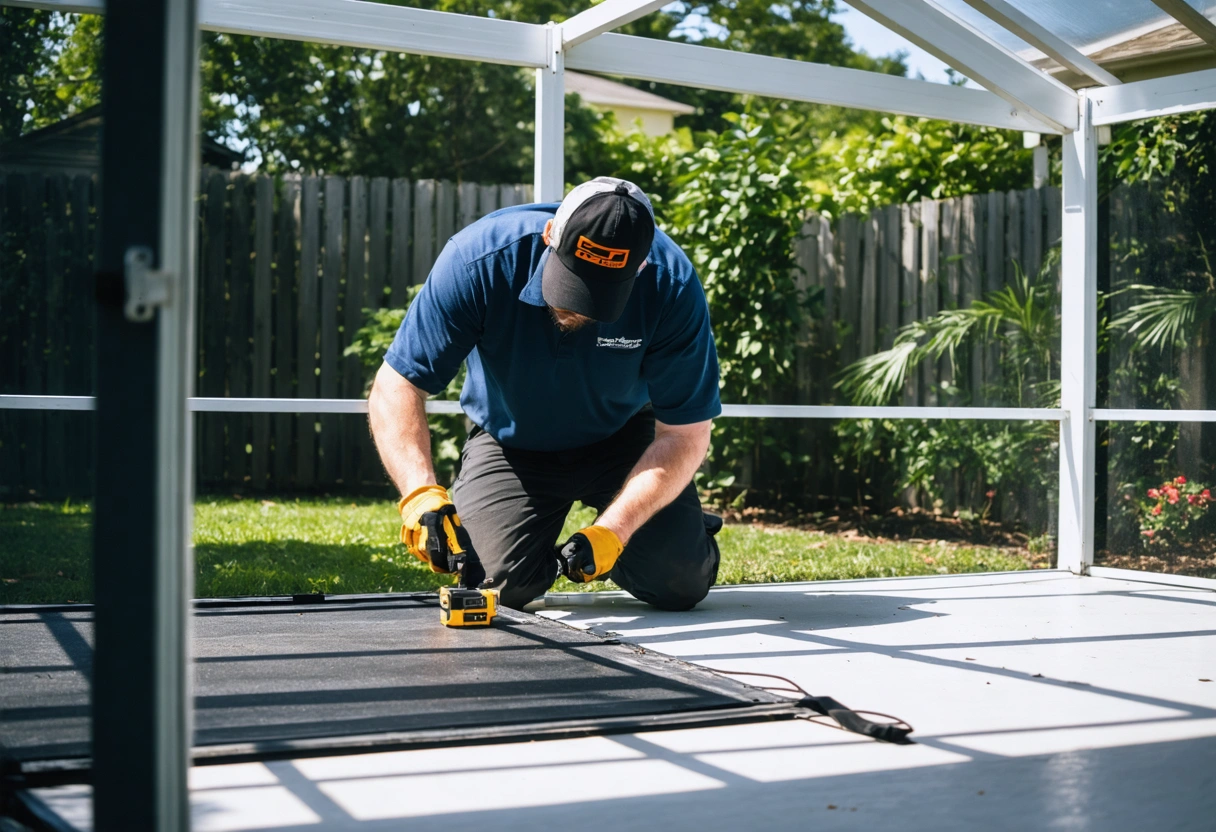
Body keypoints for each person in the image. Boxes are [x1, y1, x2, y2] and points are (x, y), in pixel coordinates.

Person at [368, 176, 723, 611]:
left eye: (602, 294)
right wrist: (419, 492)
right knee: (492, 587)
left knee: (680, 583)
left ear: (642, 265)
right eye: (574, 282)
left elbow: (685, 433)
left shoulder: (673, 285)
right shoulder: (478, 259)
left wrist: (615, 530)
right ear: (550, 234)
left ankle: (682, 533)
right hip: (511, 442)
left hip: (623, 439)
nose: (579, 306)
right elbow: (398, 382)